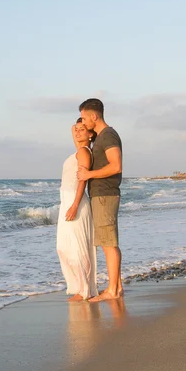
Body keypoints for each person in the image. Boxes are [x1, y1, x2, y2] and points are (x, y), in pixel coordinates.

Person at [76, 98, 123, 302]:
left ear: (94, 116)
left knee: (108, 244)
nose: (83, 122)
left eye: (85, 117)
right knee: (107, 242)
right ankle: (116, 287)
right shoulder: (101, 137)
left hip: (105, 194)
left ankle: (112, 290)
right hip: (102, 194)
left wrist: (89, 175)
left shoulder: (108, 136)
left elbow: (116, 166)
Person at [56, 119, 98, 301]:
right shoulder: (79, 149)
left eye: (83, 130)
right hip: (67, 201)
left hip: (76, 201)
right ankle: (79, 287)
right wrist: (81, 123)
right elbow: (73, 129)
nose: (78, 131)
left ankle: (85, 290)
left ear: (91, 134)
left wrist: (74, 205)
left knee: (79, 248)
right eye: (77, 129)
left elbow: (82, 180)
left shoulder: (83, 152)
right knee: (63, 248)